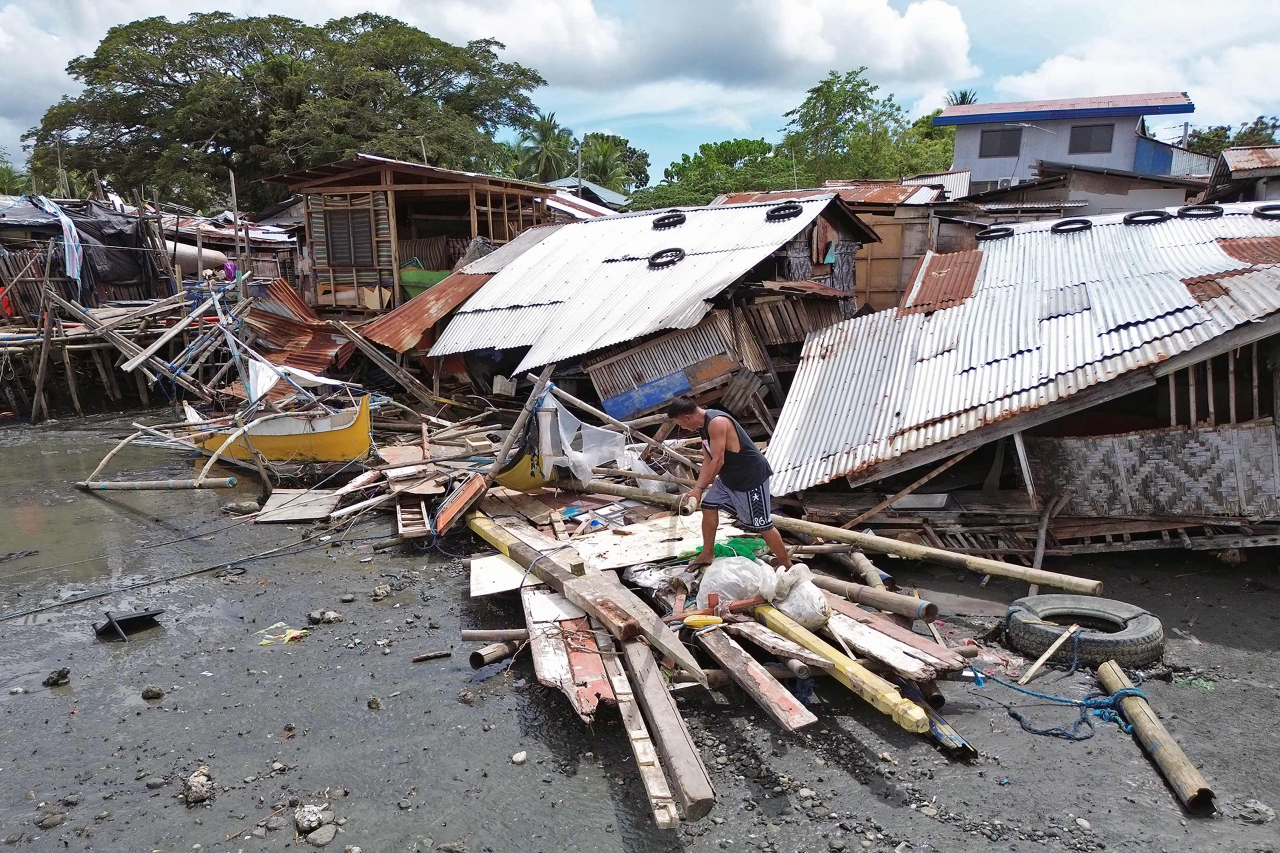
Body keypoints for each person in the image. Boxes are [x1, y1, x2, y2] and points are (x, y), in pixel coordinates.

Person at [665, 396, 791, 569]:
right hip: (729, 478)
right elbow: (708, 460)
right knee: (709, 506)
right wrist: (696, 488)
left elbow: (718, 461)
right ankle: (707, 553)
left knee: (763, 525)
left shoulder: (716, 422)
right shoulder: (702, 428)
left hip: (750, 477)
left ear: (687, 417)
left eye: (681, 424)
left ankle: (787, 564)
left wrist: (700, 489)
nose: (683, 428)